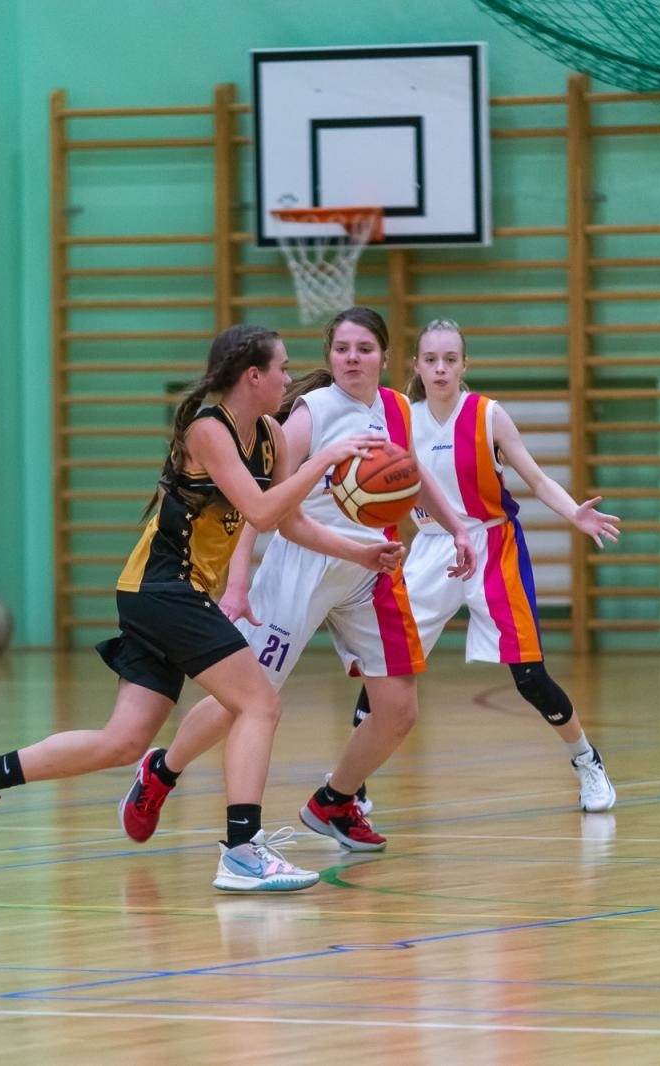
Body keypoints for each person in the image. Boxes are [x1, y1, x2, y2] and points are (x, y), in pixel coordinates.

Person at [0, 324, 401, 893]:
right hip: (163, 587)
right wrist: (322, 457)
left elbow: (286, 521)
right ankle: (242, 850)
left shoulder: (273, 434)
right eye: (279, 368)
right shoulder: (209, 430)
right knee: (259, 704)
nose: (287, 378)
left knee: (123, 742)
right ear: (253, 376)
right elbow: (257, 509)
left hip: (168, 594)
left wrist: (362, 551)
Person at [116, 306, 479, 853]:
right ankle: (162, 772)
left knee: (399, 709)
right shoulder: (310, 414)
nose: (351, 358)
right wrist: (238, 582)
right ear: (329, 355)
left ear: (384, 356)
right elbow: (257, 507)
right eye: (341, 349)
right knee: (248, 698)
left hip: (367, 566)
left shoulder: (397, 407)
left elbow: (413, 473)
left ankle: (335, 798)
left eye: (363, 349)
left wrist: (457, 528)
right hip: (301, 564)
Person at [339, 319, 621, 814]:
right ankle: (352, 789)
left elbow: (534, 477)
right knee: (382, 670)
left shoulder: (489, 416)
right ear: (417, 366)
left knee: (530, 676)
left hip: (493, 546)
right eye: (431, 360)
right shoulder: (400, 415)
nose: (441, 368)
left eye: (450, 359)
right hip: (429, 549)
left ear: (464, 365)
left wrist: (573, 510)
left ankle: (586, 759)